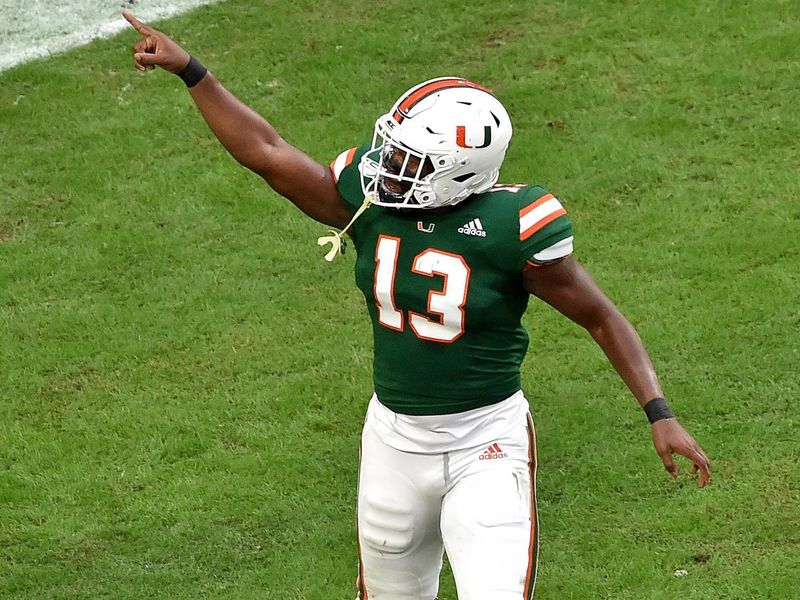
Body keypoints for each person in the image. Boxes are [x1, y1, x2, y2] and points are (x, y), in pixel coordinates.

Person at [123, 11, 711, 600]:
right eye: (393, 151)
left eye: (410, 160)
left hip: (488, 440)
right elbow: (267, 151)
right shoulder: (369, 200)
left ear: (461, 171)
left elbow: (601, 317)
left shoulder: (513, 226)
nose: (389, 167)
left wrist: (659, 412)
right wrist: (193, 73)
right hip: (393, 440)